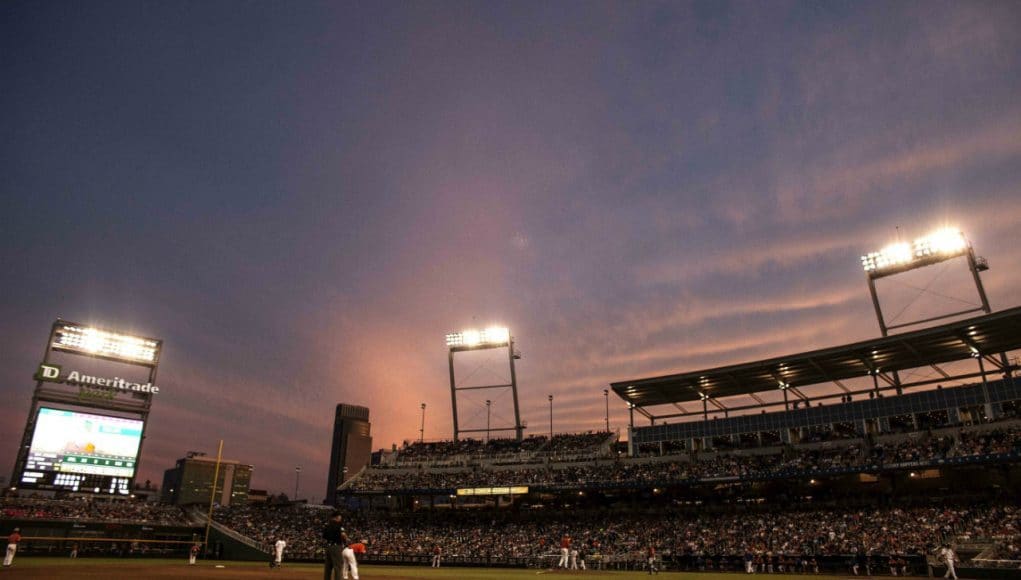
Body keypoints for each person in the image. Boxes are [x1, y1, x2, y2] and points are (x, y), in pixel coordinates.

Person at [322, 510, 350, 580]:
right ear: (337, 517)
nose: (341, 518)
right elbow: (343, 534)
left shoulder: (327, 525)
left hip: (328, 547)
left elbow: (324, 536)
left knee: (328, 568)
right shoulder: (339, 525)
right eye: (340, 516)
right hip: (336, 547)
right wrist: (347, 539)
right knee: (338, 567)